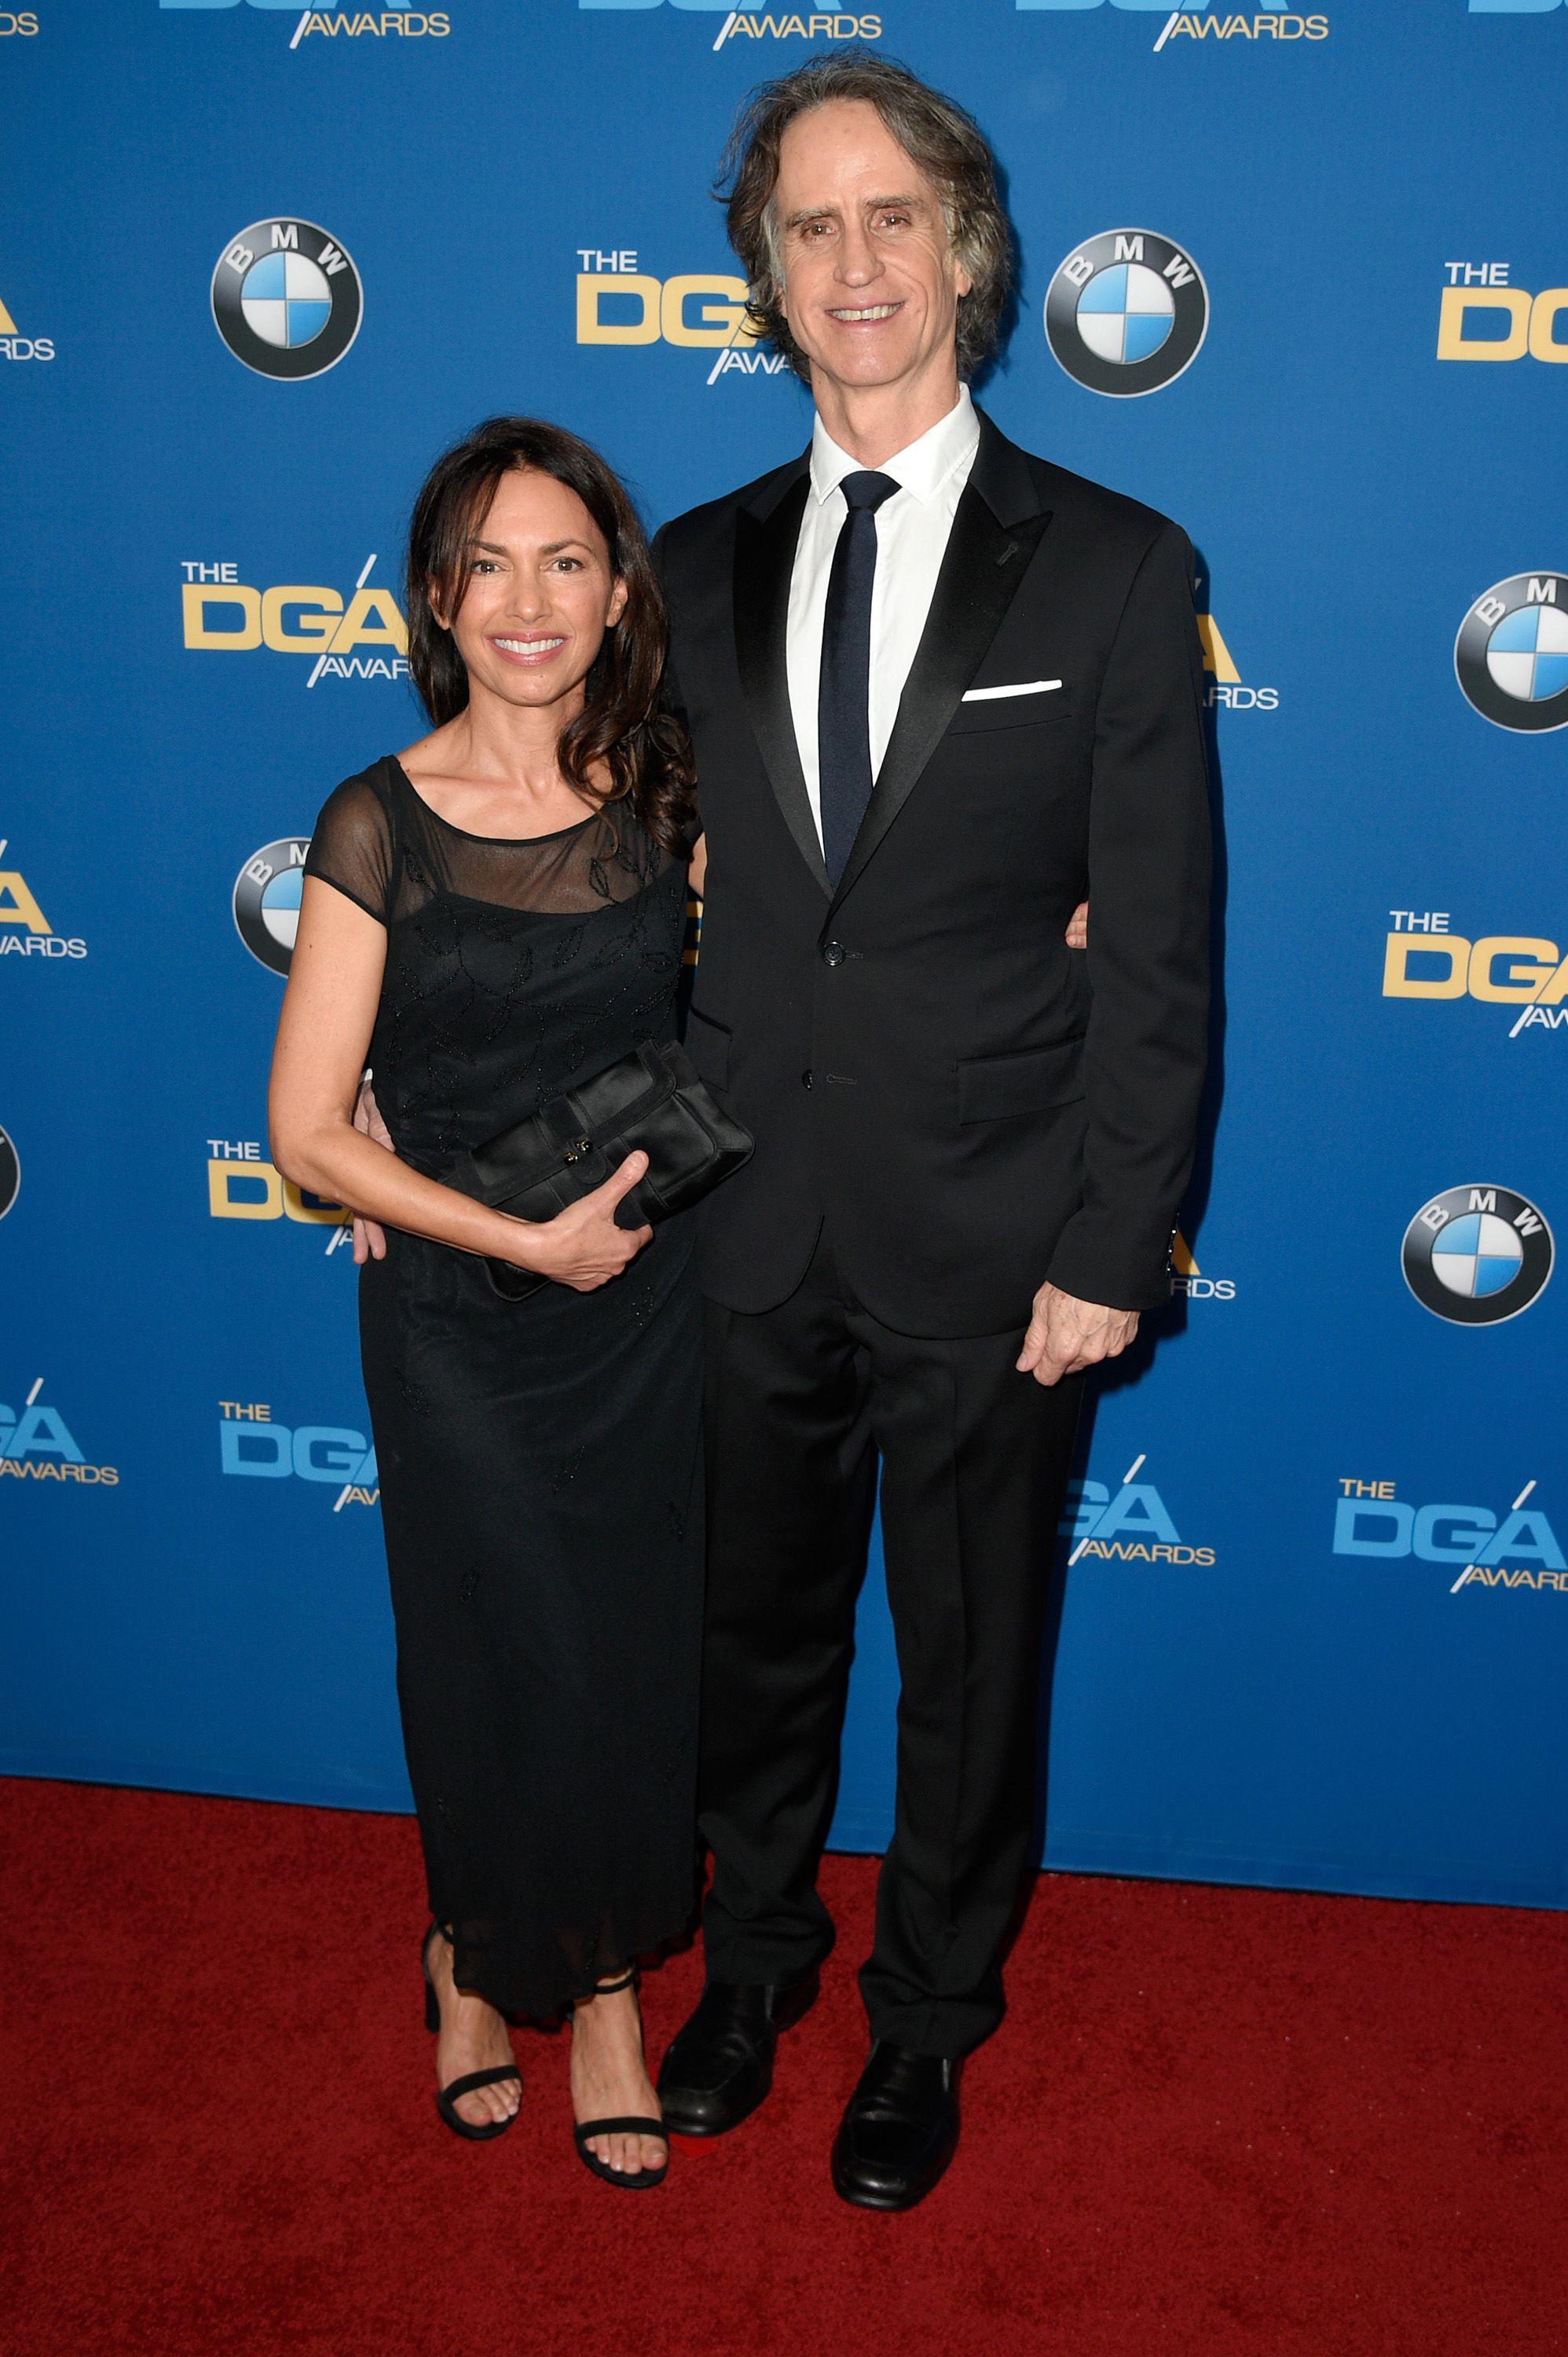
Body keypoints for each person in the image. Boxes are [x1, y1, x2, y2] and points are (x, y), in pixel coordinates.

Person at [650, 53, 1211, 2210]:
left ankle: (924, 2025)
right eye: (808, 226)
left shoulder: (1114, 566)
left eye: (890, 216)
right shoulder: (685, 566)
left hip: (997, 1234)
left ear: (965, 255)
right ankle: (752, 1970)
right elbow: (608, 894)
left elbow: (1156, 949)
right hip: (742, 1217)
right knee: (750, 1644)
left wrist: (1110, 1241)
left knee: (970, 1669)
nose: (853, 261)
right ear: (767, 278)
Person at [268, 417, 705, 2190]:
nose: (528, 602)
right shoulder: (374, 821)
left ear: (617, 594)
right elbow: (306, 1131)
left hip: (645, 1315)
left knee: (627, 1656)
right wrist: (515, 1243)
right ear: (437, 601)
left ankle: (601, 1989)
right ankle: (467, 1952)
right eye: (487, 566)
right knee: (486, 1650)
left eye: (565, 562)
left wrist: (1048, 918)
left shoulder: (665, 799)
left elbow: (814, 967)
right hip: (461, 1314)